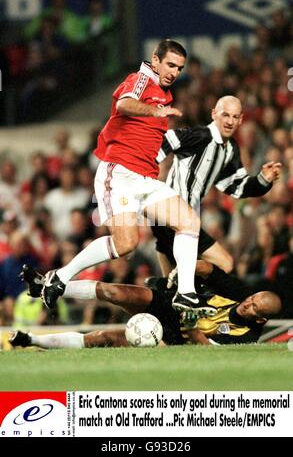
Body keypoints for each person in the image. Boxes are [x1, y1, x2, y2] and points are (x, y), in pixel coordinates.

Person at [41, 39, 210, 314]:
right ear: (155, 60)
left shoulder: (165, 94)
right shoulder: (141, 79)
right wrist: (154, 110)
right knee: (126, 244)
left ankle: (186, 293)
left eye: (179, 68)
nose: (174, 72)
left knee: (189, 222)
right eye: (170, 64)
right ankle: (60, 277)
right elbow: (124, 104)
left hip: (145, 178)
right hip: (119, 174)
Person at [153, 95, 282, 276]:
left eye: (235, 117)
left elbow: (238, 187)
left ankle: (174, 282)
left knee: (170, 293)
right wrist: (145, 172)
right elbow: (167, 139)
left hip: (175, 220)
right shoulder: (200, 136)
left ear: (241, 120)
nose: (230, 121)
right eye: (225, 115)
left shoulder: (230, 150)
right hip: (174, 214)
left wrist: (263, 179)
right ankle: (182, 274)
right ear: (214, 114)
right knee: (226, 264)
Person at [10, 262, 281, 348]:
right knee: (115, 291)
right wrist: (181, 271)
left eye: (257, 308)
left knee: (104, 337)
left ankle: (29, 338)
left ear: (261, 320)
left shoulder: (248, 336)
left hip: (178, 337)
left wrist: (189, 324)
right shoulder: (238, 292)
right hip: (171, 306)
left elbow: (204, 346)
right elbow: (208, 269)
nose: (249, 304)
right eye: (253, 299)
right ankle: (48, 284)